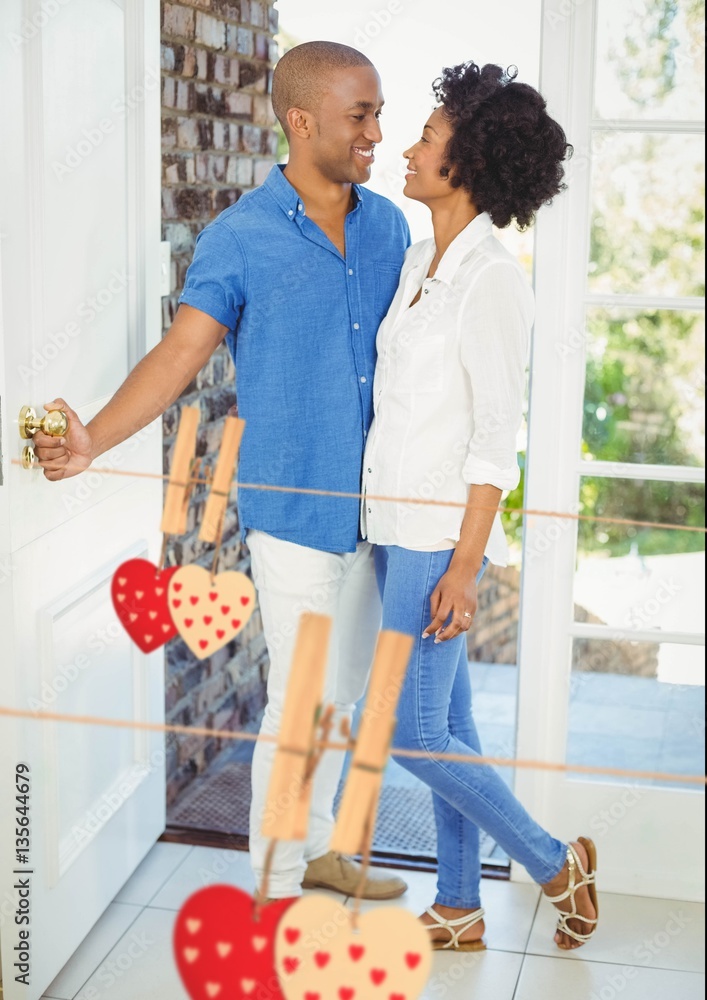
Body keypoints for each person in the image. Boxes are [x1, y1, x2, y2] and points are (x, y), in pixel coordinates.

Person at [32, 41, 411, 903]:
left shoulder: (388, 225)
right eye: (361, 115)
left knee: (342, 702)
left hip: (380, 513)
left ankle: (315, 849)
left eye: (381, 114)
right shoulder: (238, 238)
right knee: (302, 704)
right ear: (302, 120)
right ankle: (275, 894)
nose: (376, 134)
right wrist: (91, 435)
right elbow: (181, 353)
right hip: (296, 510)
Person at [362, 61, 599, 951]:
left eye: (427, 137)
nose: (409, 147)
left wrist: (465, 564)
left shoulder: (492, 280)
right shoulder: (423, 257)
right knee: (449, 728)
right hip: (391, 527)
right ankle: (458, 906)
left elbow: (497, 435)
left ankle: (550, 863)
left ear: (467, 163)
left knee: (412, 736)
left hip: (435, 543)